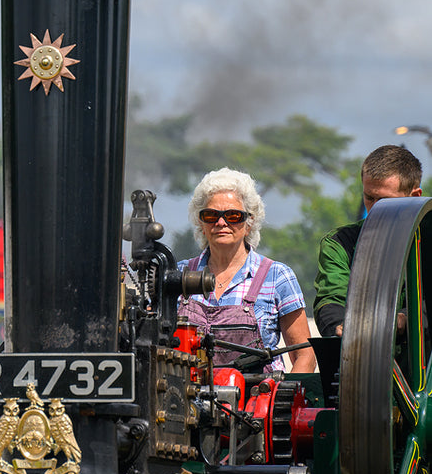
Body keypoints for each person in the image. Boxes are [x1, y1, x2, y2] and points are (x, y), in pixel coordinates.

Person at [178, 167, 315, 373]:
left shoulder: (277, 276)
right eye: (211, 215)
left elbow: (305, 355)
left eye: (233, 216)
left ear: (249, 222)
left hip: (255, 399)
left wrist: (280, 400)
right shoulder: (179, 275)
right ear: (201, 222)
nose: (221, 222)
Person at [314, 144, 422, 337]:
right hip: (359, 360)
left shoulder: (426, 240)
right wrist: (340, 326)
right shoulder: (339, 243)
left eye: (385, 201)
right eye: (369, 198)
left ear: (414, 196)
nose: (375, 208)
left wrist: (404, 320)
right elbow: (330, 299)